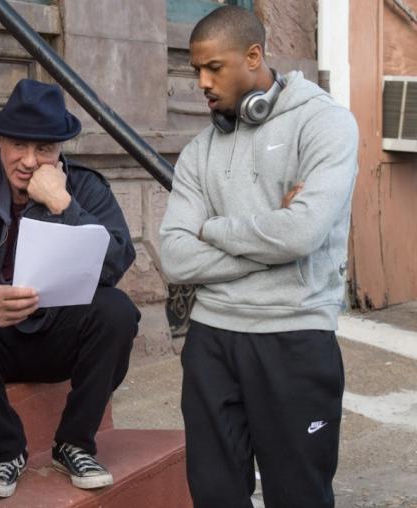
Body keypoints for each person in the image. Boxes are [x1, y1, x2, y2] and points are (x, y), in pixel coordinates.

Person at [159, 6, 358, 508]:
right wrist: (273, 244)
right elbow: (177, 259)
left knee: (299, 495)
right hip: (212, 341)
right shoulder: (199, 152)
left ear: (253, 56)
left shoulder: (327, 125)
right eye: (196, 71)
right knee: (215, 493)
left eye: (214, 68)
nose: (202, 82)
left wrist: (213, 228)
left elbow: (302, 233)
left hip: (294, 336)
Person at [0, 78, 140, 498]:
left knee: (117, 310)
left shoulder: (85, 187)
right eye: (19, 145)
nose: (30, 161)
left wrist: (64, 206)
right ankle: (6, 449)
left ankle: (74, 443)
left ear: (60, 150)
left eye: (45, 150)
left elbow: (116, 262)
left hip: (57, 334)